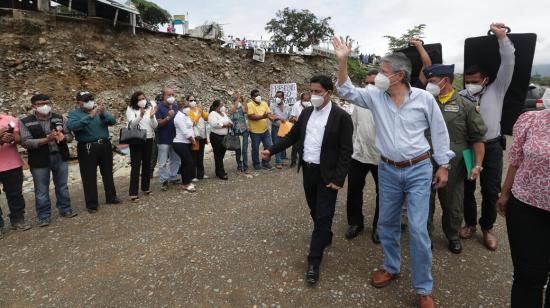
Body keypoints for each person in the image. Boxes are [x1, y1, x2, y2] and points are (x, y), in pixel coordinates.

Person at [333, 36, 453, 308]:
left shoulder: (424, 99)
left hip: (419, 169)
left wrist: (443, 165)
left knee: (419, 230)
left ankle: (423, 288)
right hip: (387, 169)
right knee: (387, 223)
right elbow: (347, 91)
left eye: (384, 73)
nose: (378, 78)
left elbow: (439, 132)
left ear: (399, 75)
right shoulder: (375, 97)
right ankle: (391, 266)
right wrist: (342, 62)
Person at [262, 75, 353, 286]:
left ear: (329, 93)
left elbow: (346, 151)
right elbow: (293, 136)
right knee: (314, 209)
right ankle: (325, 234)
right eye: (312, 91)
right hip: (309, 171)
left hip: (328, 174)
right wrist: (271, 149)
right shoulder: (306, 112)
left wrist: (339, 178)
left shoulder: (341, 117)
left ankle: (313, 261)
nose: (314, 96)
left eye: (318, 92)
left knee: (323, 215)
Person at [460, 23, 515, 251]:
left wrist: (502, 38)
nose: (471, 85)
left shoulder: (497, 89)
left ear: (485, 80)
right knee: (467, 188)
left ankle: (487, 227)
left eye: (475, 81)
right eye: (468, 81)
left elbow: (509, 63)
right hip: (468, 147)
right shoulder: (462, 96)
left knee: (491, 191)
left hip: (491, 147)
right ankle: (471, 223)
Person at [422, 64, 487, 254]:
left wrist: (477, 164)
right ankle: (425, 235)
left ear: (446, 80)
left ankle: (452, 235)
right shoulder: (425, 102)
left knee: (452, 203)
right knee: (424, 201)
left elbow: (478, 138)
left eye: (432, 82)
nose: (429, 86)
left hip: (454, 164)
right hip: (425, 160)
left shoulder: (465, 105)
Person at [495, 108, 549, 308]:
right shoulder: (533, 119)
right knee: (528, 276)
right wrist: (505, 193)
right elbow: (516, 160)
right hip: (527, 207)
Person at [20, 94, 76, 227]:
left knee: (62, 186)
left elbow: (70, 136)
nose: (45, 106)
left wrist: (64, 137)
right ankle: (44, 216)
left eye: (47, 102)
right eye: (41, 104)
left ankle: (65, 209)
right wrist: (47, 139)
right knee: (41, 190)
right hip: (39, 159)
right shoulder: (25, 121)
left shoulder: (60, 117)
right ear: (33, 106)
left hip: (59, 156)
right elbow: (26, 142)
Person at [68, 91, 120, 213]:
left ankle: (111, 197)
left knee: (107, 172)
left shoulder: (99, 111)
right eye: (86, 100)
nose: (90, 102)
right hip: (87, 147)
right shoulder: (74, 114)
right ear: (79, 103)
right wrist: (90, 116)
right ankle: (92, 204)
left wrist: (103, 115)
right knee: (89, 176)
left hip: (105, 144)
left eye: (91, 99)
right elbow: (73, 127)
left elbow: (112, 121)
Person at [345, 70, 381, 243]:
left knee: (384, 194)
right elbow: (353, 126)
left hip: (382, 157)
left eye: (373, 83)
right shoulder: (359, 103)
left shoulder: (388, 101)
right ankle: (355, 223)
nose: (369, 86)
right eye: (367, 82)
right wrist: (352, 150)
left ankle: (379, 227)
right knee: (353, 190)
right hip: (359, 155)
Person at [0, 112, 32, 236]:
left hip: (12, 164)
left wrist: (12, 138)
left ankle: (18, 220)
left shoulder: (10, 119)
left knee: (15, 195)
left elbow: (21, 139)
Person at [125, 91, 158, 202]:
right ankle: (133, 192)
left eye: (143, 98)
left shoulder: (149, 108)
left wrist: (152, 117)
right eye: (139, 99)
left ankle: (145, 187)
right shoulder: (130, 109)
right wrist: (140, 115)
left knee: (147, 163)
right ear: (135, 100)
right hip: (136, 139)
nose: (142, 100)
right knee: (136, 165)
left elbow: (155, 126)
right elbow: (131, 125)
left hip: (148, 139)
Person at [155, 87, 181, 191]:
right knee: (162, 161)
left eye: (172, 95)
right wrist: (168, 117)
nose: (171, 97)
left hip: (175, 138)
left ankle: (173, 177)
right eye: (168, 95)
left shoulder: (175, 106)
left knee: (175, 159)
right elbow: (157, 123)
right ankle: (164, 180)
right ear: (163, 96)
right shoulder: (158, 107)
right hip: (163, 139)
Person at [247, 89, 276, 170]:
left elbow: (269, 114)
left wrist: (273, 118)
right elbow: (251, 116)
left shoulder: (264, 103)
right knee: (255, 148)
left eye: (259, 95)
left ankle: (265, 162)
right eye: (256, 95)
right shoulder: (249, 105)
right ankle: (256, 164)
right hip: (254, 131)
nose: (258, 97)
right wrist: (263, 116)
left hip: (265, 130)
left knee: (269, 146)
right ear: (252, 97)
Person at [172, 99, 196, 192]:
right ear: (181, 107)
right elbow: (185, 132)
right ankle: (186, 183)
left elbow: (190, 125)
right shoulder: (179, 117)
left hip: (186, 143)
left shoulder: (185, 116)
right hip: (180, 143)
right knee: (188, 162)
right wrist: (193, 141)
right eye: (186, 106)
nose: (188, 108)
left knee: (186, 163)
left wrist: (193, 122)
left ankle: (186, 181)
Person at [208, 100, 233, 180]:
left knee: (221, 154)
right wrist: (225, 125)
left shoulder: (224, 114)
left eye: (223, 105)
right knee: (218, 154)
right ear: (216, 107)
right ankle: (221, 173)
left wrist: (229, 124)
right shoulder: (212, 114)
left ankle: (218, 171)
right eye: (221, 105)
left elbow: (230, 122)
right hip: (216, 137)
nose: (223, 107)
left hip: (224, 136)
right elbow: (214, 124)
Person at [187, 94, 209, 182]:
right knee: (193, 156)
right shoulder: (187, 111)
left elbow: (207, 118)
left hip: (202, 136)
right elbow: (193, 122)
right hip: (195, 137)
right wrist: (199, 114)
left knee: (201, 156)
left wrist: (202, 112)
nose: (193, 102)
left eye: (194, 100)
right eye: (191, 100)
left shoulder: (198, 109)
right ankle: (193, 175)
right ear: (187, 102)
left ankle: (201, 174)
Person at [289, 92, 311, 168]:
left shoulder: (311, 105)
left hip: (308, 128)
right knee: (295, 145)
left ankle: (304, 161)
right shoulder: (296, 105)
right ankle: (293, 162)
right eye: (305, 100)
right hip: (298, 127)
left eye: (308, 100)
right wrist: (298, 120)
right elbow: (292, 117)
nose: (306, 102)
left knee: (306, 145)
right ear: (301, 99)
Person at [228, 93, 249, 172]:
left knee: (244, 149)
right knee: (238, 150)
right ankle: (239, 166)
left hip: (244, 130)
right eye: (237, 98)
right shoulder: (232, 106)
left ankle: (245, 166)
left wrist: (245, 101)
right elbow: (232, 111)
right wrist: (238, 99)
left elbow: (246, 111)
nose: (239, 99)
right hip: (236, 131)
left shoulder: (241, 107)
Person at [270, 91, 291, 169]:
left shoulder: (287, 106)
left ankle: (282, 159)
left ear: (283, 97)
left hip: (285, 128)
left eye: (279, 97)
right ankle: (278, 161)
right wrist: (278, 118)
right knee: (277, 143)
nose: (277, 98)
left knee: (284, 143)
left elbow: (289, 117)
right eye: (276, 97)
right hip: (276, 128)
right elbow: (271, 116)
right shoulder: (272, 105)